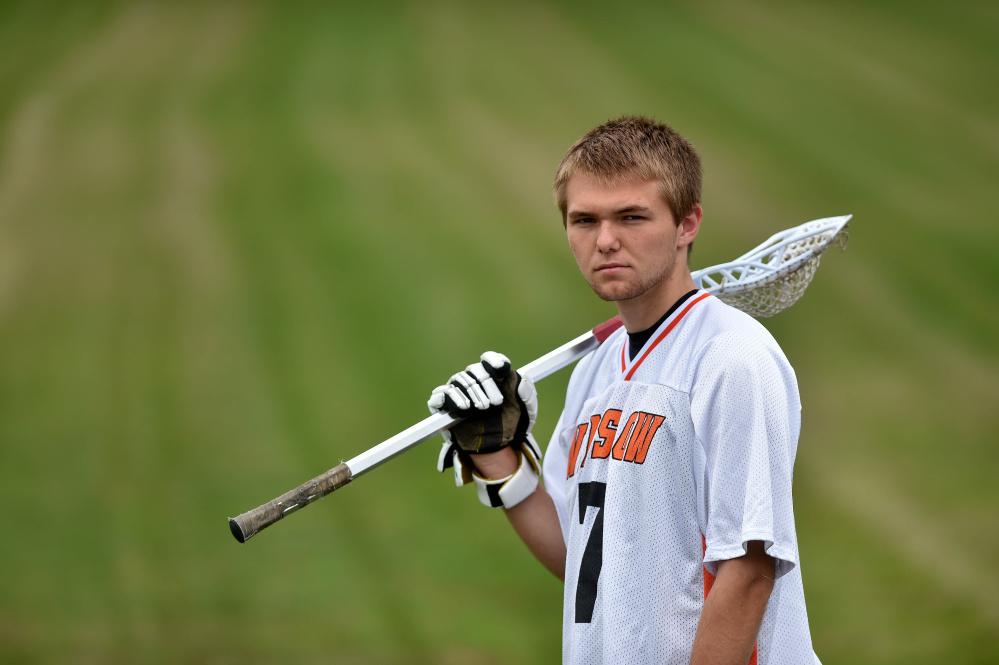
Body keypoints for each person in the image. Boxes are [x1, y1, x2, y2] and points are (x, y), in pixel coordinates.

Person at [428, 116, 820, 664]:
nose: (605, 240)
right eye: (584, 219)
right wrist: (499, 460)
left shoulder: (732, 358)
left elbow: (750, 568)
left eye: (632, 217)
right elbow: (589, 557)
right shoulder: (597, 371)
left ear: (688, 224)